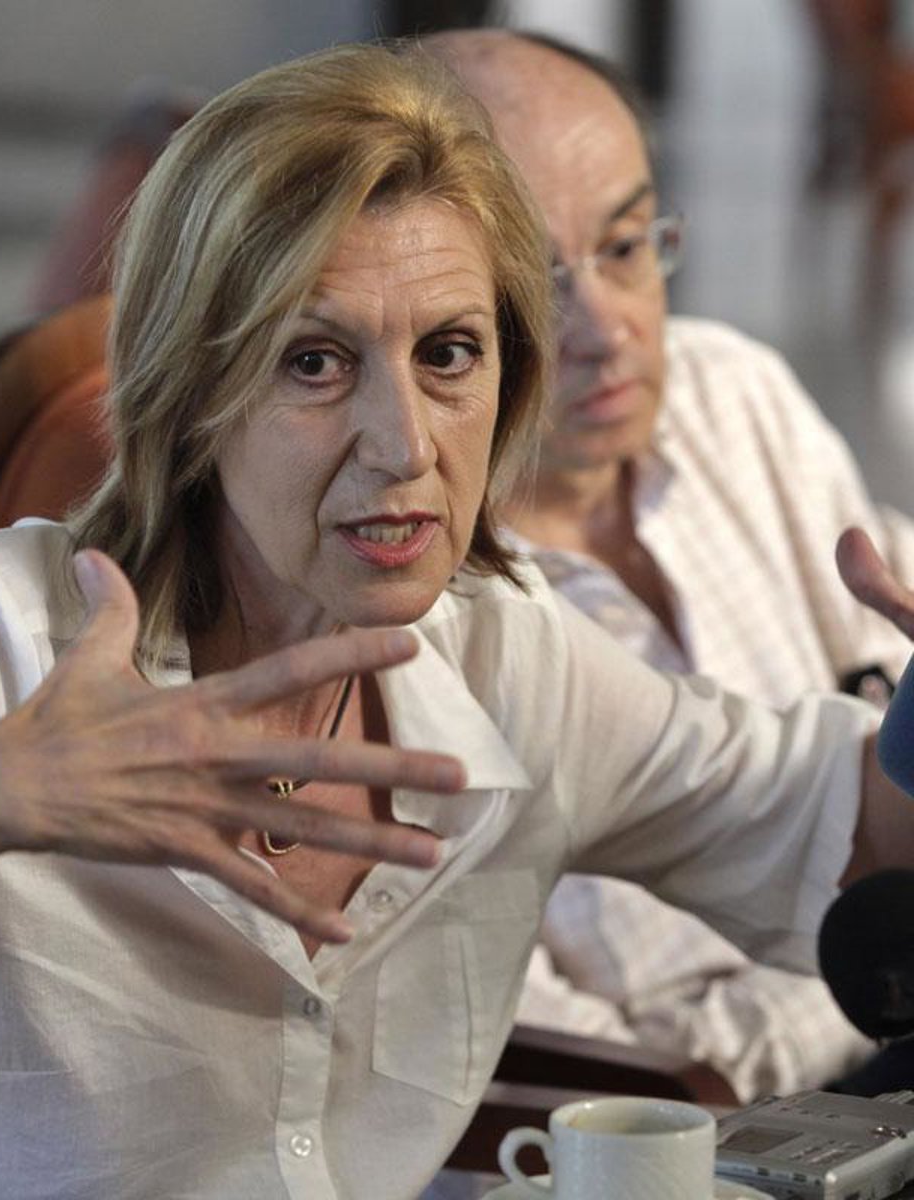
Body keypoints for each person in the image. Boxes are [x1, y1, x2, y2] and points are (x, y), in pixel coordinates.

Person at [0, 41, 912, 1200]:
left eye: (450, 354)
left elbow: (844, 830)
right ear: (190, 393)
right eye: (315, 363)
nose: (405, 446)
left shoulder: (503, 648)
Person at [425, 27, 914, 1101]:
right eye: (532, 283)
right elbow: (599, 1094)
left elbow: (874, 751)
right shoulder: (419, 612)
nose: (607, 331)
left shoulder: (732, 396)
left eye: (626, 247)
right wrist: (873, 982)